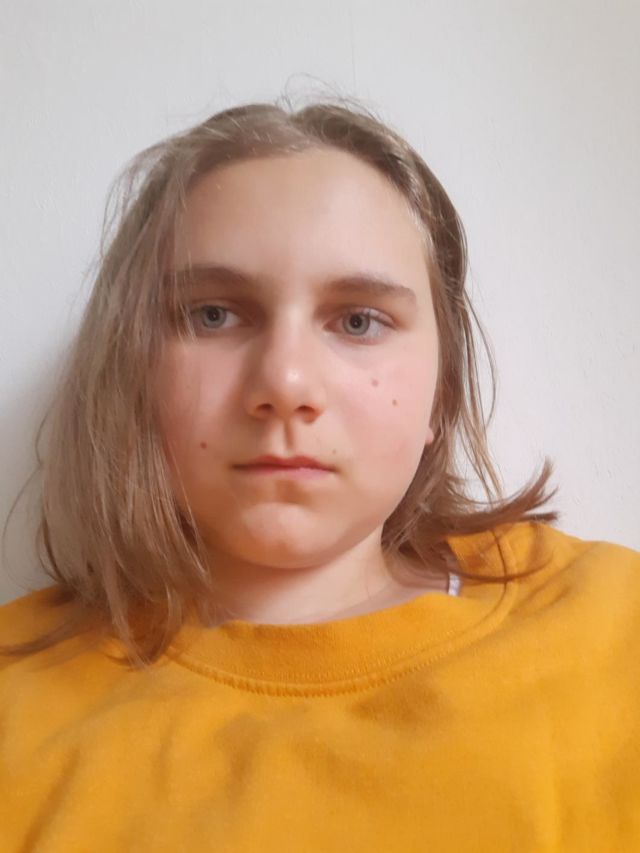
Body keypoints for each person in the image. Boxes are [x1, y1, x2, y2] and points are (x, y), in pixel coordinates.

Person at [1, 94, 638, 851]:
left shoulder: (614, 632)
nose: (286, 382)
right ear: (132, 370)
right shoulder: (18, 702)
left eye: (359, 320)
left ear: (441, 392)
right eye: (213, 315)